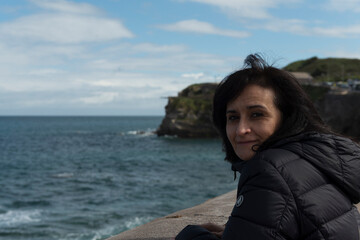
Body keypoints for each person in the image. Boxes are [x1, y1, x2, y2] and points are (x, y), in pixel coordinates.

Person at [176, 54, 360, 239]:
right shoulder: (312, 160)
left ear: (286, 117)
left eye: (257, 114)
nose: (241, 130)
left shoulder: (269, 170)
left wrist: (191, 235)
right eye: (233, 117)